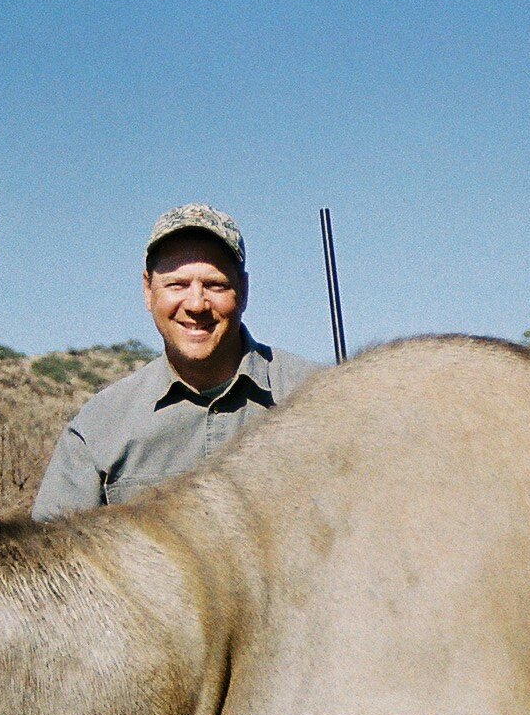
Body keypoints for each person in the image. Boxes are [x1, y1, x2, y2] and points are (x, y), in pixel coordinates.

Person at [31, 204, 324, 519]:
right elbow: (50, 552)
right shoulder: (99, 426)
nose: (196, 304)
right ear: (148, 290)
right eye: (177, 285)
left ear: (243, 290)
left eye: (215, 285)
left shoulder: (318, 397)